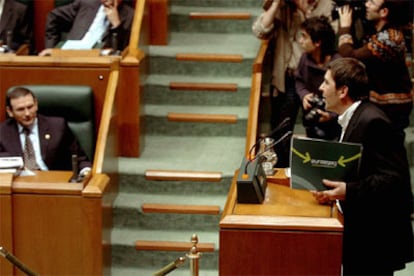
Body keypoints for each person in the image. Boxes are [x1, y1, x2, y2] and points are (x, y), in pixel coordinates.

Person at [312, 57, 413, 275]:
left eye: (326, 82)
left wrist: (348, 191)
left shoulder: (373, 122)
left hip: (376, 239)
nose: (321, 88)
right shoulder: (353, 117)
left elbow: (394, 180)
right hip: (363, 232)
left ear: (343, 91)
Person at [252, 0, 335, 167]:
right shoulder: (284, 7)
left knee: (317, 130)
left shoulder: (327, 5)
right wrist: (276, 4)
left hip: (315, 77)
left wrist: (303, 10)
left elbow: (327, 36)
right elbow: (260, 30)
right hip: (287, 76)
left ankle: (313, 172)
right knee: (282, 129)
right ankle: (283, 169)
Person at [336, 0, 413, 137]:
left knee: (389, 152)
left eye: (372, 2)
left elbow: (350, 56)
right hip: (383, 105)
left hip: (392, 109)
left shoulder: (391, 38)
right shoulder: (377, 32)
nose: (366, 5)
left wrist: (345, 27)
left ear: (384, 12)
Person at [0, 87, 91, 176]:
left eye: (30, 107)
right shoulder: (2, 132)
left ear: (36, 104)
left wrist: (86, 172)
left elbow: (80, 159)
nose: (27, 113)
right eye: (20, 109)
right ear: (10, 111)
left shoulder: (57, 127)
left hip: (54, 182)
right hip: (17, 185)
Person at [295, 15, 342, 140]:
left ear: (317, 42)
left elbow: (345, 95)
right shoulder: (304, 59)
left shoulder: (338, 63)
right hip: (313, 117)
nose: (300, 41)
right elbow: (299, 81)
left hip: (335, 122)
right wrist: (304, 95)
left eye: (304, 37)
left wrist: (331, 115)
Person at [39, 0, 134, 56]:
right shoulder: (86, 3)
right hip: (69, 55)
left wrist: (116, 25)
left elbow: (123, 50)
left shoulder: (130, 15)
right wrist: (51, 48)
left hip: (98, 62)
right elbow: (53, 16)